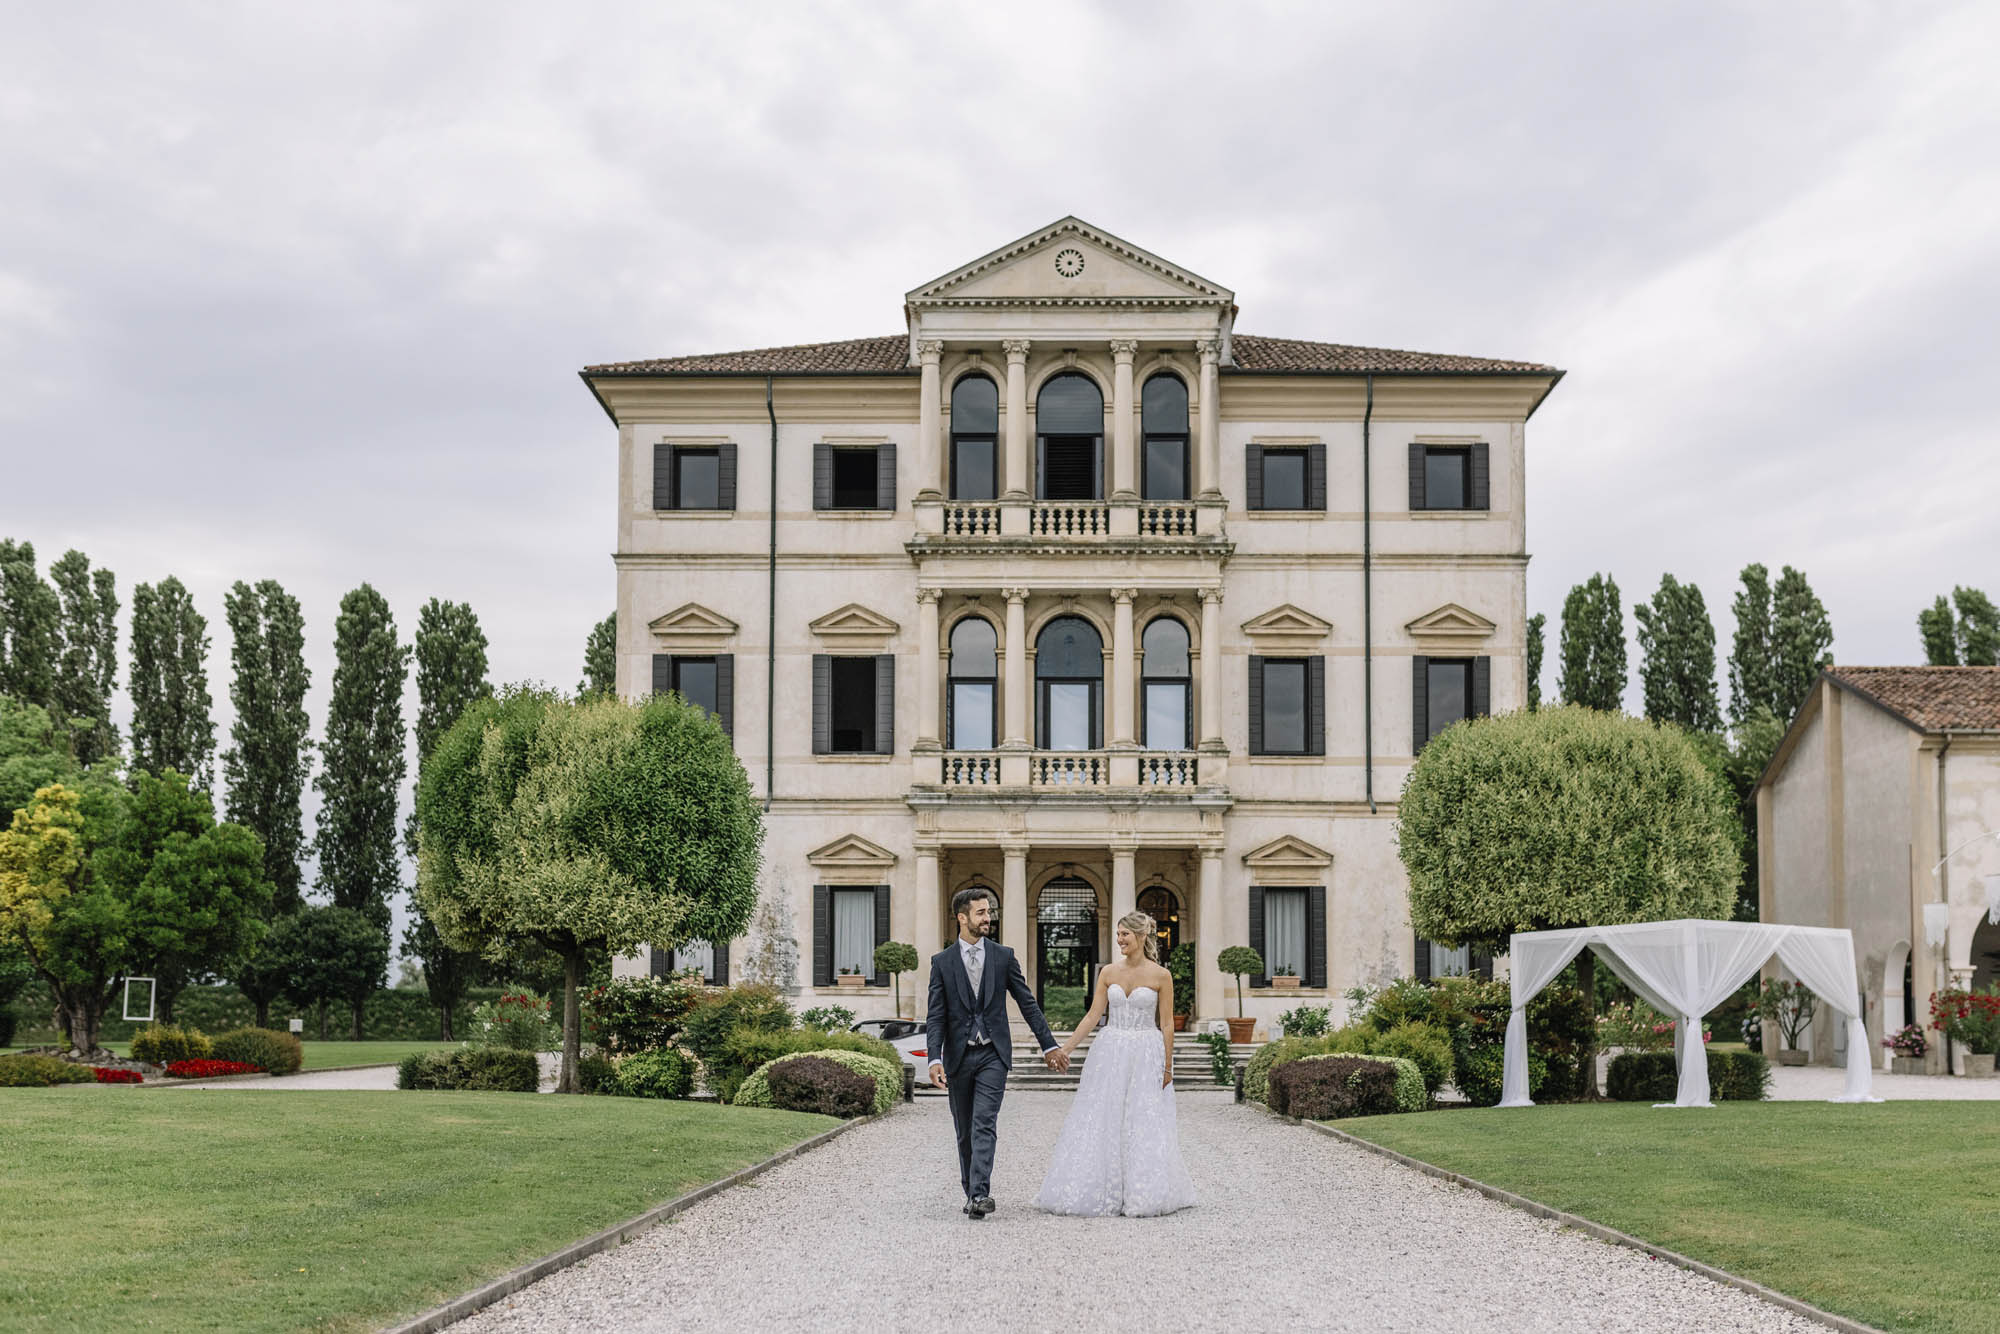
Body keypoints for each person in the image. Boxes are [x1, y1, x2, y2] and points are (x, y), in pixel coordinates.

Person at [1033, 909, 1197, 1217]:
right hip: (1111, 1049)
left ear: (1141, 936)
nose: (1119, 939)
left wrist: (1168, 1065)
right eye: (1118, 934)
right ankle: (1100, 1187)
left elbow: (1167, 1024)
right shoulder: (1108, 972)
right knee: (1103, 1116)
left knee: (1142, 1118)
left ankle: (1142, 1190)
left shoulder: (1162, 976)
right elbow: (1094, 1015)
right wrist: (1064, 1048)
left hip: (1146, 1050)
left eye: (1125, 934)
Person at [926, 886, 1068, 1220]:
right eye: (981, 912)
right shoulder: (942, 963)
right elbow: (936, 1015)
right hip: (958, 1056)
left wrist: (1049, 1044)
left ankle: (980, 1193)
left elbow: (1027, 1003)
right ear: (962, 918)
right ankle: (970, 1190)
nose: (988, 917)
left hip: (993, 1054)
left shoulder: (1004, 957)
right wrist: (934, 1057)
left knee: (984, 1123)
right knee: (964, 1129)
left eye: (989, 912)